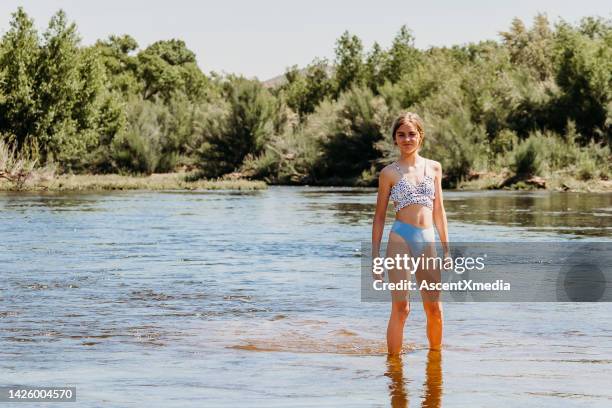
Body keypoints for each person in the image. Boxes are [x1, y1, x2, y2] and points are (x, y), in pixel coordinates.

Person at [371, 112, 450, 354]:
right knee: (401, 308)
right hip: (400, 238)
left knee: (434, 308)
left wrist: (446, 248)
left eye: (411, 134)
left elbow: (439, 211)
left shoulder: (434, 168)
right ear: (395, 139)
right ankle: (393, 367)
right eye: (401, 135)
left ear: (420, 136)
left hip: (427, 239)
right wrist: (375, 258)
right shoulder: (389, 173)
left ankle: (435, 364)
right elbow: (380, 216)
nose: (407, 139)